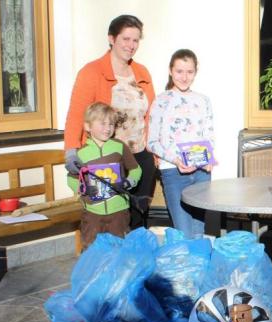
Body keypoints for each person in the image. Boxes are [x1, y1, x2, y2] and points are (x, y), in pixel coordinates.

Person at [63, 14, 156, 230]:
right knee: (112, 219)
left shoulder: (142, 72)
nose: (131, 45)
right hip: (109, 157)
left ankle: (135, 252)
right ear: (111, 39)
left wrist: (154, 152)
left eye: (135, 40)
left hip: (140, 156)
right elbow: (76, 114)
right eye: (126, 39)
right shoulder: (91, 72)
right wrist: (71, 150)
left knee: (138, 216)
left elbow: (152, 114)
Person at [147, 49, 216, 239]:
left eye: (189, 72)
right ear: (170, 71)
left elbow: (209, 135)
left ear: (196, 72)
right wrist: (176, 160)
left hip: (201, 173)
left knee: (198, 232)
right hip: (173, 172)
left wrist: (209, 158)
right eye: (179, 71)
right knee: (184, 233)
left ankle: (199, 260)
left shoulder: (204, 100)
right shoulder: (161, 101)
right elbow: (151, 142)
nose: (184, 77)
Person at [67, 102, 141, 249]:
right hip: (93, 213)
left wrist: (129, 182)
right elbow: (71, 178)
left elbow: (136, 170)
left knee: (119, 249)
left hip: (119, 210)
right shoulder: (81, 154)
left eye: (111, 124)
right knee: (92, 249)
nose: (108, 128)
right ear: (88, 126)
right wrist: (82, 189)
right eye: (102, 124)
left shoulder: (119, 147)